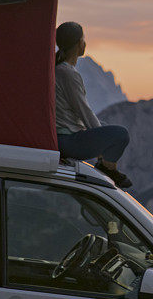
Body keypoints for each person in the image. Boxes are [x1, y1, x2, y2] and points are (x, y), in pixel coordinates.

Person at [54, 22, 132, 188]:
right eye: (83, 39)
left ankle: (107, 165)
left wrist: (99, 132)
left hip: (65, 135)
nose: (85, 43)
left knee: (105, 127)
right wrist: (102, 146)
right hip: (69, 140)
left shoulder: (60, 69)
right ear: (78, 44)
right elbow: (83, 111)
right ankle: (107, 167)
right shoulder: (68, 73)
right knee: (121, 134)